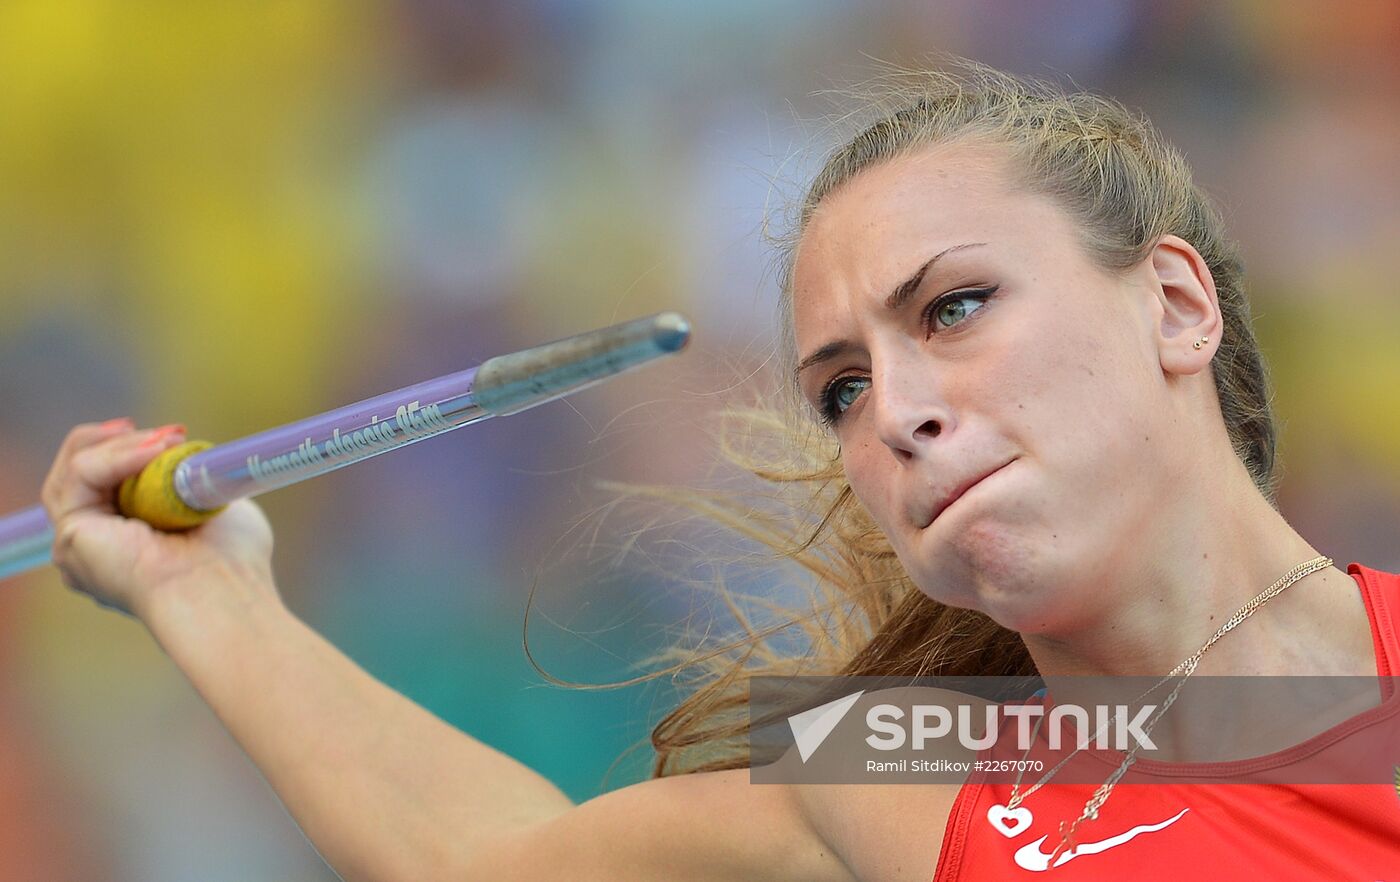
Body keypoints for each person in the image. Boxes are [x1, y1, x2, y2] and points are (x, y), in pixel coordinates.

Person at [40, 61, 1400, 881]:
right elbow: (496, 861)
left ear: (1174, 304)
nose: (901, 415)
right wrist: (208, 594)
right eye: (843, 391)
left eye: (956, 307)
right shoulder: (907, 774)